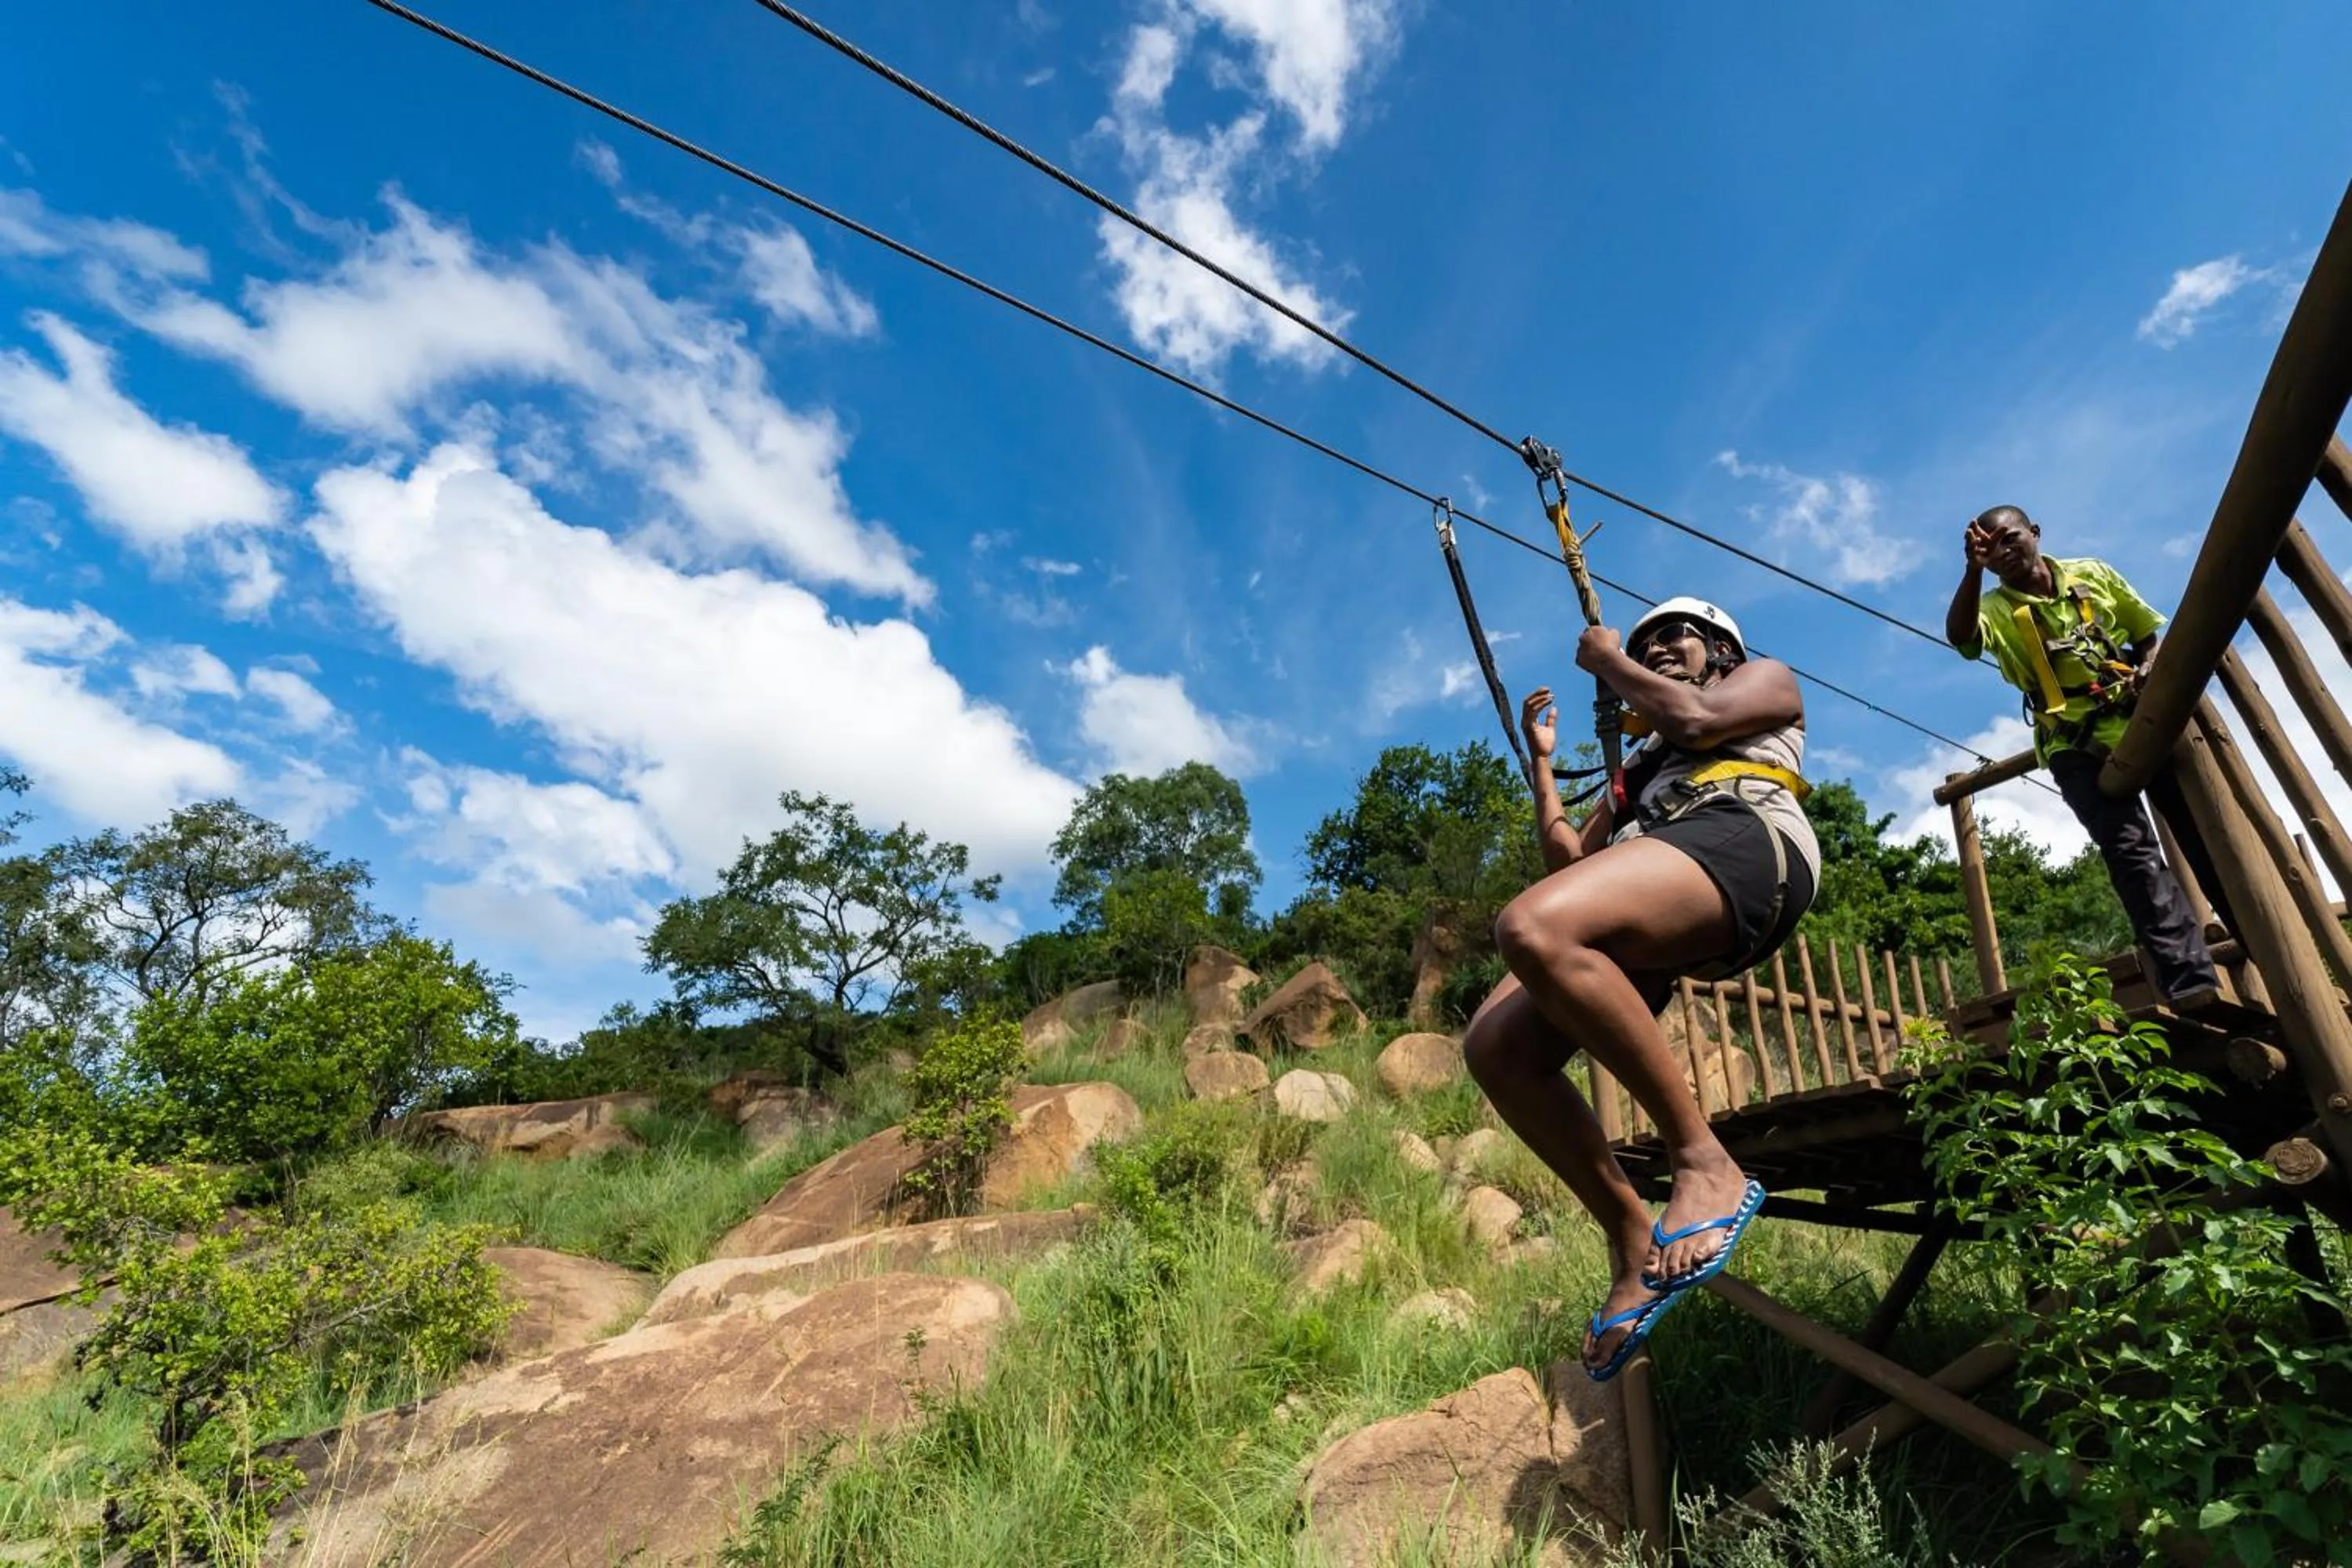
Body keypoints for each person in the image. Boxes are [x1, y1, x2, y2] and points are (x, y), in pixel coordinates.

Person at [1464, 596, 1820, 1381]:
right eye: (1648, 639)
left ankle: (1706, 1162)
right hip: (1676, 870)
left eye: (1679, 635)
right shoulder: (1639, 771)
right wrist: (1545, 762)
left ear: (1722, 649)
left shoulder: (1764, 681)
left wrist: (1607, 660)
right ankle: (1628, 1234)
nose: (1661, 645)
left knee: (1533, 928)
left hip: (1749, 842)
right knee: (1496, 1047)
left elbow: (1694, 721)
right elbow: (1569, 866)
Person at [1944, 506, 2223, 1011]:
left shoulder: (2091, 574)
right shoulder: (1993, 609)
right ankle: (2190, 983)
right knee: (2133, 856)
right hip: (2075, 745)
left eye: (2011, 539)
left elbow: (2146, 634)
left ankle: (2251, 935)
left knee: (2207, 841)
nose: (2004, 553)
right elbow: (1961, 638)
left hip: (2141, 720)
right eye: (1991, 550)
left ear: (2035, 534)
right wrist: (1970, 571)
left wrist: (2147, 668)